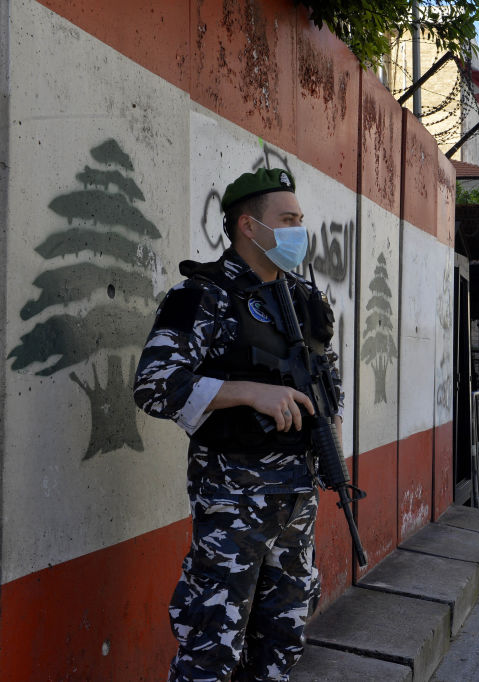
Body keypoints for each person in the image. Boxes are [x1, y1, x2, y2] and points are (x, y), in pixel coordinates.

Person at [134, 168, 342, 681]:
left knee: (282, 644)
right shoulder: (202, 297)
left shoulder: (303, 300)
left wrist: (332, 432)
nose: (299, 231)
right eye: (287, 220)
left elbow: (324, 378)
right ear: (249, 227)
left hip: (296, 500)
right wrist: (248, 392)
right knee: (212, 649)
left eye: (300, 219)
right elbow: (154, 385)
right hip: (233, 502)